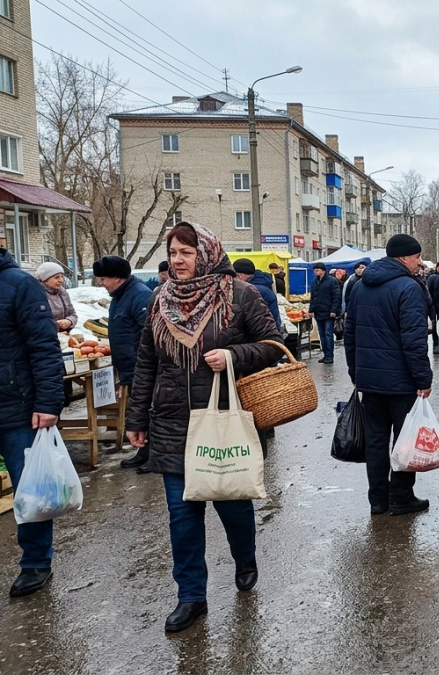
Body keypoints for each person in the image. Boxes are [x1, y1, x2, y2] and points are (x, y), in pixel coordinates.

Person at [125, 221, 282, 633]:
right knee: (182, 516)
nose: (177, 261)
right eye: (173, 252)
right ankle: (191, 597)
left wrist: (232, 355)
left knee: (231, 504)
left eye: (186, 253)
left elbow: (273, 344)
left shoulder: (240, 295)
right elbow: (146, 363)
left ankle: (244, 557)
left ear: (207, 254)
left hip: (224, 420)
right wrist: (136, 419)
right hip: (174, 423)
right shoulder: (160, 299)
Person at [0, 246, 65, 598]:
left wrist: (49, 401)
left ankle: (36, 562)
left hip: (16, 408)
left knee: (31, 489)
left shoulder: (19, 284)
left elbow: (44, 346)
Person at [344, 234, 433, 516]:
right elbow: (414, 339)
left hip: (370, 381)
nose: (419, 263)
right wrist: (423, 378)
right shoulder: (409, 288)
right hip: (401, 381)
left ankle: (378, 500)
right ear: (403, 258)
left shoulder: (360, 286)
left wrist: (354, 372)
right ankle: (401, 498)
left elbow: (349, 333)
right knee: (405, 440)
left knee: (376, 441)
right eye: (417, 257)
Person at [91, 255, 153, 470]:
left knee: (149, 409)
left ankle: (153, 455)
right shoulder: (120, 295)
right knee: (140, 409)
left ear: (117, 278)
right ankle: (145, 451)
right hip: (130, 366)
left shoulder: (140, 296)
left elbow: (150, 334)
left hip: (142, 366)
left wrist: (143, 363)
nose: (100, 282)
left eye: (103, 278)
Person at [233, 258, 282, 335]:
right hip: (270, 331)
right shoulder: (264, 284)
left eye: (234, 276)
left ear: (240, 276)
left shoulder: (250, 290)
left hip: (259, 334)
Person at [309, 262, 341, 364]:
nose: (315, 272)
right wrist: (311, 310)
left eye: (317, 270)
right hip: (318, 312)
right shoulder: (314, 282)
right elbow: (313, 297)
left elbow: (336, 296)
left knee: (328, 334)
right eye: (314, 270)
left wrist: (334, 310)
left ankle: (330, 356)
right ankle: (325, 355)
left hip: (328, 312)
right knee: (322, 335)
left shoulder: (332, 281)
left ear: (323, 271)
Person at [35, 262, 77, 331]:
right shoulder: (36, 294)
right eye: (57, 277)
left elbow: (72, 314)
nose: (61, 280)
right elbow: (35, 322)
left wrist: (69, 321)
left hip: (63, 335)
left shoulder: (62, 292)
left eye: (62, 276)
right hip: (44, 338)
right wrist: (56, 325)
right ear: (45, 280)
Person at [425, 261, 439, 356]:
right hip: (434, 305)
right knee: (434, 326)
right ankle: (436, 344)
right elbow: (429, 291)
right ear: (437, 268)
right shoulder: (432, 277)